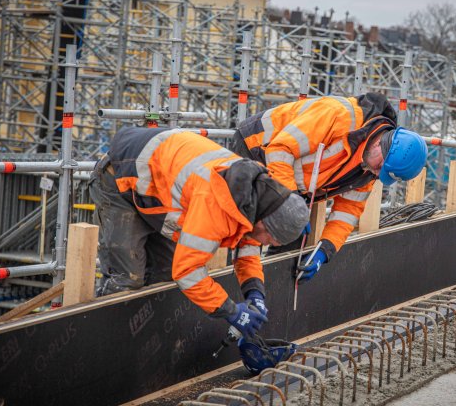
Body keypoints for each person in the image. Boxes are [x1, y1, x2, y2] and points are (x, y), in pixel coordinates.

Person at [90, 127, 310, 338]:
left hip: (158, 183)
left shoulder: (254, 198)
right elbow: (187, 272)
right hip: (120, 177)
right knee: (127, 280)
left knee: (163, 278)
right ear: (265, 224)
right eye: (271, 240)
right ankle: (105, 340)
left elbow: (247, 249)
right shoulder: (216, 203)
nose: (267, 244)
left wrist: (255, 292)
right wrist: (232, 312)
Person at [232, 93, 428, 282]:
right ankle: (237, 286)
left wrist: (324, 251)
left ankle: (268, 290)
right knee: (248, 226)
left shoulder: (368, 169)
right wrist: (289, 200)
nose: (377, 174)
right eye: (380, 167)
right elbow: (280, 150)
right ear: (379, 143)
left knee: (293, 232)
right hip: (255, 148)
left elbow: (348, 211)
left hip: (292, 181)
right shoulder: (337, 115)